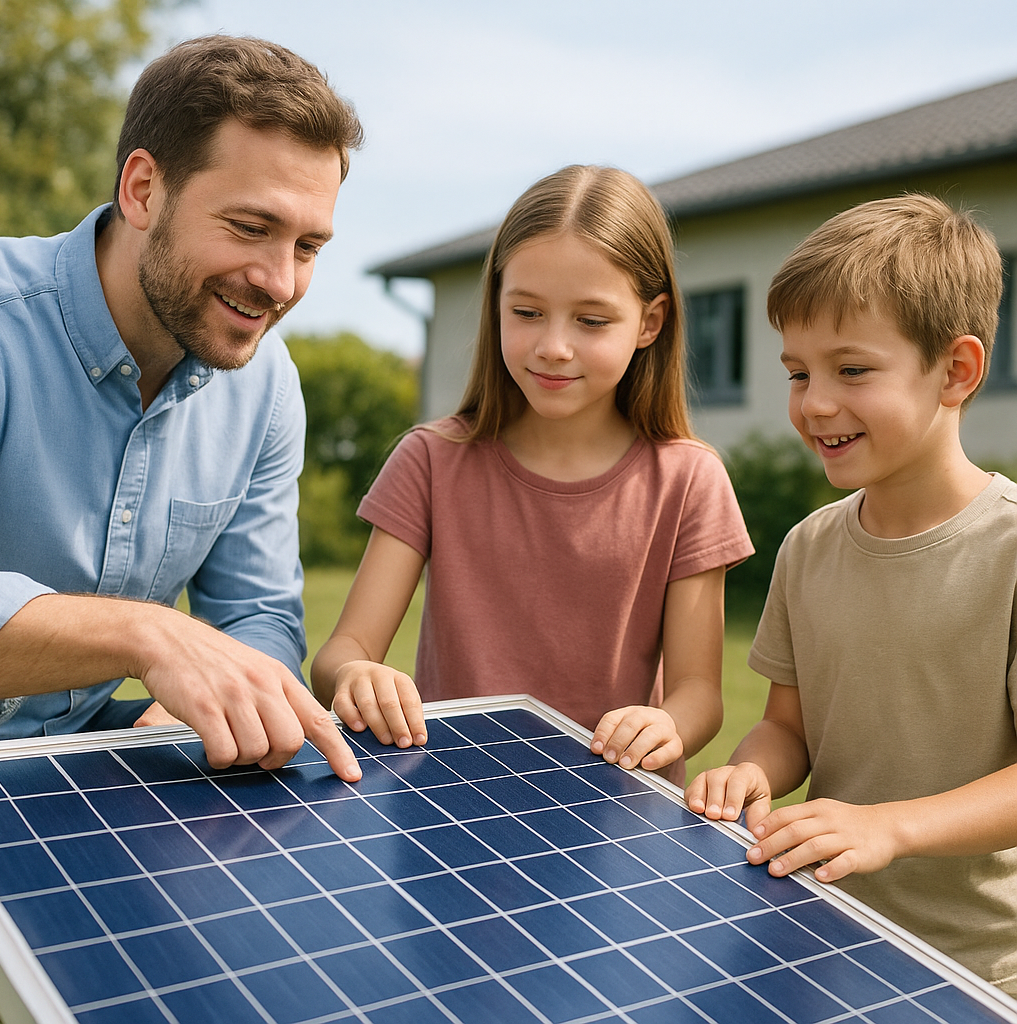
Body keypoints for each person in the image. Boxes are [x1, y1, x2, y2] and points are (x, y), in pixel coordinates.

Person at [0, 35, 364, 781]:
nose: (281, 282)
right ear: (142, 190)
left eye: (308, 246)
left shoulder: (265, 388)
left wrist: (204, 697)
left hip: (65, 767)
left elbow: (258, 617)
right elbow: (164, 639)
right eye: (251, 228)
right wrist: (146, 636)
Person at [311, 164, 753, 782]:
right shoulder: (430, 460)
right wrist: (355, 675)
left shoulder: (688, 482)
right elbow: (343, 651)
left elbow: (699, 693)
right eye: (527, 312)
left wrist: (668, 725)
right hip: (449, 801)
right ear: (496, 305)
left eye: (592, 321)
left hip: (615, 820)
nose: (553, 346)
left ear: (650, 323)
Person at [684, 194, 1017, 995]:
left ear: (957, 372)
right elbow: (788, 728)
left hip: (970, 972)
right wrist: (751, 771)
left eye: (852, 370)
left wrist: (889, 827)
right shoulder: (808, 547)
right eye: (798, 373)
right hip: (821, 930)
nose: (815, 403)